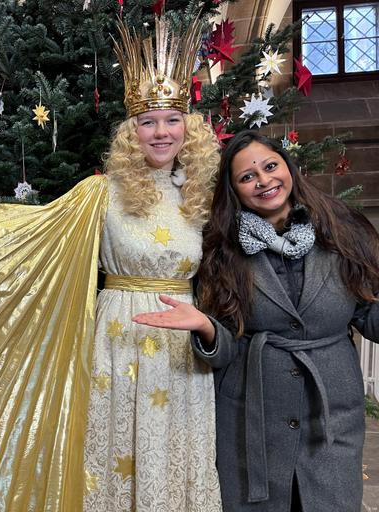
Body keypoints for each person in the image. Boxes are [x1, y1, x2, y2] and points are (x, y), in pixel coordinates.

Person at [0, 16, 222, 512]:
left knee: (175, 452)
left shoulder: (205, 195)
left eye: (171, 119)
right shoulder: (100, 192)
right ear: (132, 130)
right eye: (148, 121)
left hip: (182, 348)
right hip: (116, 338)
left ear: (188, 126)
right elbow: (24, 231)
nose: (161, 132)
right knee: (113, 452)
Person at [133, 130, 379, 512]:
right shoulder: (222, 249)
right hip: (252, 413)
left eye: (270, 166)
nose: (264, 181)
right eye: (247, 177)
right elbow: (227, 342)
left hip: (331, 412)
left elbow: (369, 314)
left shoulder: (343, 231)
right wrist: (206, 327)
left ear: (288, 168)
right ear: (234, 190)